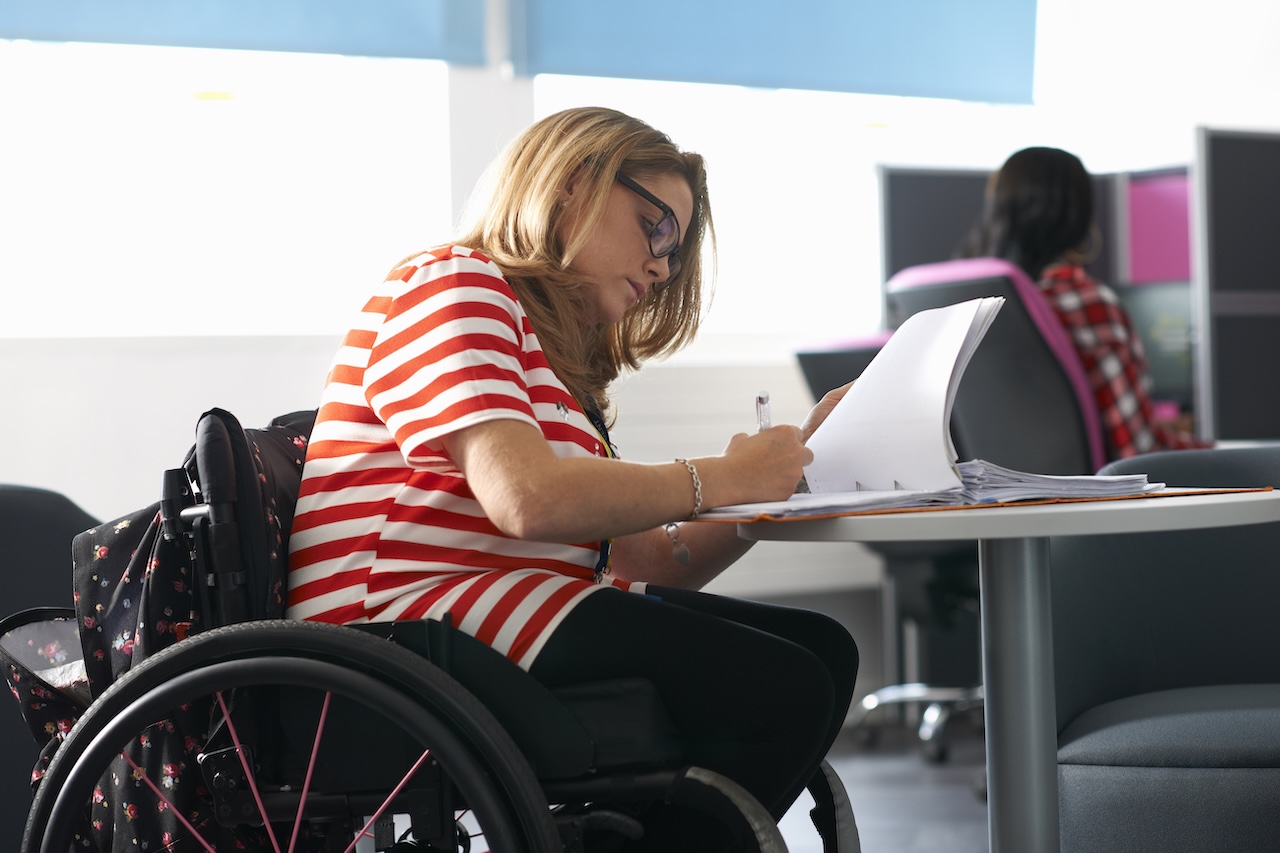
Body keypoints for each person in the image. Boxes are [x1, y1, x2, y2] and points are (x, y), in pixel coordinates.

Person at [285, 106, 858, 851]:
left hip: (492, 606)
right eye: (656, 229)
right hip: (398, 625)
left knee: (825, 653)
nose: (661, 266)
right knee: (780, 686)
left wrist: (783, 481)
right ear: (571, 185)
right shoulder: (454, 282)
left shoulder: (546, 356)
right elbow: (525, 497)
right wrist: (721, 474)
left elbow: (645, 556)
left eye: (675, 253)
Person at [959, 145, 1209, 461]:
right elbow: (1140, 451)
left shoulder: (967, 306)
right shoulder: (1085, 303)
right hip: (1093, 501)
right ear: (1079, 217)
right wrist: (1219, 453)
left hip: (987, 497)